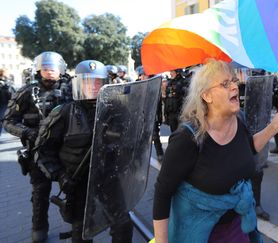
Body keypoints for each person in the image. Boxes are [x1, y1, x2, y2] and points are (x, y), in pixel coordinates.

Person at [153, 60, 278, 242]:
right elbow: (163, 193)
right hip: (200, 233)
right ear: (207, 96)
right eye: (225, 84)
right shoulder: (187, 138)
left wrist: (274, 127)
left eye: (234, 80)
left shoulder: (239, 119)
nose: (235, 86)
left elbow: (248, 148)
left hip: (238, 227)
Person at [35, 60, 133, 243]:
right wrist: (61, 176)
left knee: (123, 224)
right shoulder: (63, 113)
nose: (93, 87)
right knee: (81, 230)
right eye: (88, 82)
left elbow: (132, 142)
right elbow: (43, 152)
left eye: (97, 82)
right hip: (77, 182)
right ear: (78, 84)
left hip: (108, 177)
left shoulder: (117, 111)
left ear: (104, 84)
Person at [3, 51, 69, 242]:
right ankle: (39, 227)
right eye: (45, 68)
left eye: (53, 69)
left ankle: (77, 223)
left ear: (60, 70)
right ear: (39, 70)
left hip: (67, 150)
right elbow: (8, 120)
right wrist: (28, 133)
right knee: (40, 191)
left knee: (73, 187)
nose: (49, 72)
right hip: (37, 152)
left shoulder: (70, 88)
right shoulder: (26, 92)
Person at [136, 66, 164, 161]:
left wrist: (159, 117)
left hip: (151, 114)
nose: (143, 77)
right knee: (140, 136)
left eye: (145, 75)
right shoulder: (137, 86)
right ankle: (140, 156)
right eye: (142, 75)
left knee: (155, 136)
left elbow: (158, 103)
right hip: (140, 115)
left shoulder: (153, 87)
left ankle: (160, 153)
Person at [0, 68, 14, 135]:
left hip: (6, 103)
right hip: (3, 103)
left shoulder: (6, 82)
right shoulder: (3, 82)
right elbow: (8, 92)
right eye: (7, 72)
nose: (8, 74)